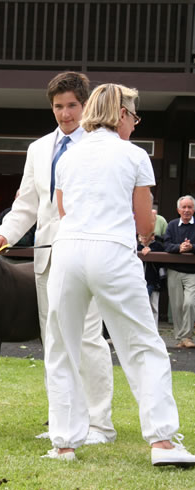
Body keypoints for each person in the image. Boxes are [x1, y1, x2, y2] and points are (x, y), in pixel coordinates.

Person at [41, 82, 195, 467]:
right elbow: (146, 222)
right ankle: (162, 442)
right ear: (121, 114)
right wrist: (141, 234)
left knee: (62, 346)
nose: (135, 124)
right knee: (143, 344)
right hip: (112, 250)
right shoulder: (134, 155)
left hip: (69, 250)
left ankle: (64, 443)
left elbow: (63, 212)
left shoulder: (68, 157)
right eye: (134, 116)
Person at [0, 71, 116, 445]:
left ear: (86, 105)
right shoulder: (39, 149)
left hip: (88, 256)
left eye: (72, 105)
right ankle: (64, 421)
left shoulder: (100, 145)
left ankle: (99, 425)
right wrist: (3, 234)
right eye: (58, 107)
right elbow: (27, 204)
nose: (65, 114)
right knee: (55, 342)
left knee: (89, 338)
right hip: (46, 261)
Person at [163, 195, 195, 348]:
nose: (187, 210)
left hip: (192, 272)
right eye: (184, 207)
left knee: (189, 303)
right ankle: (180, 338)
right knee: (176, 305)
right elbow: (166, 245)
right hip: (174, 270)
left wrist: (191, 248)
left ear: (193, 209)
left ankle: (187, 337)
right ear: (178, 210)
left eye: (189, 207)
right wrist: (179, 248)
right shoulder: (172, 225)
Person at [137, 231, 166, 326]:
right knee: (139, 307)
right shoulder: (136, 247)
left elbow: (162, 252)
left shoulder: (158, 246)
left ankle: (154, 330)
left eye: (147, 235)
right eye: (141, 235)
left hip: (154, 282)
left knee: (153, 307)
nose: (144, 237)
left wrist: (150, 249)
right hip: (139, 282)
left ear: (153, 236)